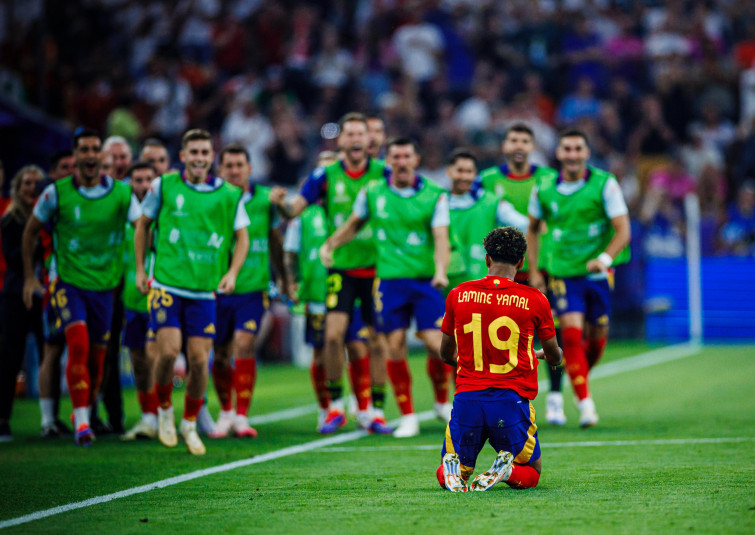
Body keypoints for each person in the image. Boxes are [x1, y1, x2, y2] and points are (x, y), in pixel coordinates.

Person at [321, 137, 450, 438]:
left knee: (438, 344)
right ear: (387, 160)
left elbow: (441, 237)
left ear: (416, 160)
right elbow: (354, 223)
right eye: (395, 156)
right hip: (390, 283)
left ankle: (449, 401)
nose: (401, 161)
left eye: (407, 156)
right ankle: (407, 416)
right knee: (394, 346)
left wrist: (441, 270)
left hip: (425, 282)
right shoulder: (373, 192)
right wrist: (332, 243)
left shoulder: (434, 195)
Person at [134, 129, 250, 455]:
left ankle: (189, 422)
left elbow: (242, 236)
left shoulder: (228, 194)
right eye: (193, 152)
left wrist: (232, 273)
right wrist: (143, 270)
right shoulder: (164, 186)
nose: (199, 158)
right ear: (182, 156)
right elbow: (143, 225)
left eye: (204, 152)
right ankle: (165, 411)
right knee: (169, 352)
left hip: (203, 290)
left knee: (200, 361)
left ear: (211, 157)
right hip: (167, 284)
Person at [275, 112, 390, 435]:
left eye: (361, 133)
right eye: (349, 133)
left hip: (378, 268)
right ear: (340, 141)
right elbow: (295, 209)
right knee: (332, 335)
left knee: (377, 340)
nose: (355, 138)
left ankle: (375, 411)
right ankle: (336, 406)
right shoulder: (325, 176)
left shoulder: (385, 174)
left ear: (370, 141)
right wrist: (281, 205)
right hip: (340, 266)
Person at [22, 128, 136, 446]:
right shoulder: (56, 193)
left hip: (105, 285)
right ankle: (83, 423)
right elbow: (30, 231)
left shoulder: (121, 193)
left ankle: (82, 409)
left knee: (99, 359)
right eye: (83, 150)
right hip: (67, 281)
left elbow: (142, 226)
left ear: (101, 156)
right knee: (78, 343)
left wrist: (141, 268)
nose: (89, 155)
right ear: (75, 156)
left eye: (94, 149)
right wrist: (32, 277)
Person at [436, 226, 563, 492]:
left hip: (467, 398)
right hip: (510, 401)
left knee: (453, 465)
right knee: (532, 471)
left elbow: (445, 353)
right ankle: (507, 471)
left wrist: (471, 366)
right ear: (521, 262)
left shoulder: (458, 294)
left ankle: (453, 471)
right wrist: (548, 356)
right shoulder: (535, 299)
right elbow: (554, 355)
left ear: (487, 259)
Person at [527, 129, 631, 428]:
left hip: (597, 274)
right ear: (558, 154)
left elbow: (623, 229)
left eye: (577, 149)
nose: (572, 154)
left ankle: (578, 377)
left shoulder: (604, 184)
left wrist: (605, 259)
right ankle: (586, 404)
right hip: (562, 272)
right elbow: (533, 229)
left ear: (586, 153)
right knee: (570, 334)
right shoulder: (543, 188)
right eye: (567, 149)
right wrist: (535, 270)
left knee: (597, 342)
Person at [477, 124, 566, 425]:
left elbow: (553, 221)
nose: (519, 144)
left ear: (532, 146)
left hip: (539, 268)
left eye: (525, 140)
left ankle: (555, 397)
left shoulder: (549, 178)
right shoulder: (487, 179)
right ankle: (502, 395)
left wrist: (539, 267)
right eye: (513, 139)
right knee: (501, 333)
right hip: (501, 269)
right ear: (505, 145)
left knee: (552, 330)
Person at [208, 143, 286, 439]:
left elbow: (275, 241)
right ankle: (225, 411)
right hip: (215, 290)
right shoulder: (213, 200)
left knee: (244, 344)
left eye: (240, 165)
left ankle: (241, 415)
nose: (235, 171)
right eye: (229, 166)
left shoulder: (266, 200)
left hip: (253, 288)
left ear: (250, 169)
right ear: (220, 171)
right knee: (221, 351)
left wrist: (285, 279)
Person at [0, 165, 46, 442]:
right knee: (10, 358)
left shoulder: (51, 218)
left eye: (36, 184)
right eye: (26, 183)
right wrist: (37, 239)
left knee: (48, 355)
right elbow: (12, 257)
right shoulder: (10, 220)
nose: (31, 188)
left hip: (45, 295)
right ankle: (3, 419)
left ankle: (50, 419)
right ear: (17, 189)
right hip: (15, 295)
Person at [36, 150, 75, 438]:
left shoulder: (85, 197)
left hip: (90, 287)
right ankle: (48, 419)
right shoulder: (52, 200)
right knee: (53, 349)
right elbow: (31, 236)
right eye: (64, 167)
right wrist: (29, 277)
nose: (70, 172)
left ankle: (84, 415)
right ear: (52, 173)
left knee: (86, 352)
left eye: (73, 167)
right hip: (58, 286)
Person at [120, 161, 159, 441]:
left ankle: (162, 413)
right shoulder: (123, 213)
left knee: (157, 355)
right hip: (131, 297)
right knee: (138, 359)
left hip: (161, 295)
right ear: (130, 183)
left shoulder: (163, 210)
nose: (143, 185)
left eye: (148, 179)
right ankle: (148, 416)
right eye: (138, 180)